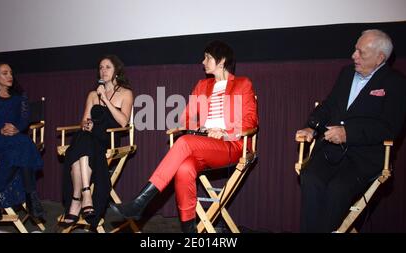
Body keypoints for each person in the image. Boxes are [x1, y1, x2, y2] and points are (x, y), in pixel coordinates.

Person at [110, 40, 258, 233]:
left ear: (221, 61)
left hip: (232, 145)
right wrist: (203, 127)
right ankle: (189, 232)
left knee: (184, 142)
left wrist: (225, 132)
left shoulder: (242, 84)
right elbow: (186, 117)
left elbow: (251, 121)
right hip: (206, 143)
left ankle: (140, 203)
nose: (202, 61)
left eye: (207, 57)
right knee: (184, 168)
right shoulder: (202, 85)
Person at [295, 29, 406, 233]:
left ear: (380, 58)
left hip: (364, 157)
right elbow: (329, 105)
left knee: (337, 189)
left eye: (361, 53)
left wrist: (349, 133)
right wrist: (311, 126)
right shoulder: (347, 73)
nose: (353, 56)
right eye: (355, 50)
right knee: (310, 177)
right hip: (330, 151)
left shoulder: (398, 85)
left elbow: (389, 128)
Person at [60, 55, 133, 228]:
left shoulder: (125, 93)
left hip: (108, 138)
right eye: (101, 67)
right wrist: (86, 124)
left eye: (107, 67)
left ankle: (76, 200)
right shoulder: (92, 95)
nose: (103, 70)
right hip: (89, 137)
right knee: (83, 138)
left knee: (81, 148)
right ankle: (86, 195)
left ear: (116, 71)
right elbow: (84, 121)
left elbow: (123, 122)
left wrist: (106, 99)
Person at [0, 62, 45, 221]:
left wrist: (16, 128)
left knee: (15, 151)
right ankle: (31, 196)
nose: (10, 76)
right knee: (24, 143)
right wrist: (0, 130)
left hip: (15, 138)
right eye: (5, 73)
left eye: (10, 72)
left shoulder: (20, 96)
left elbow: (25, 119)